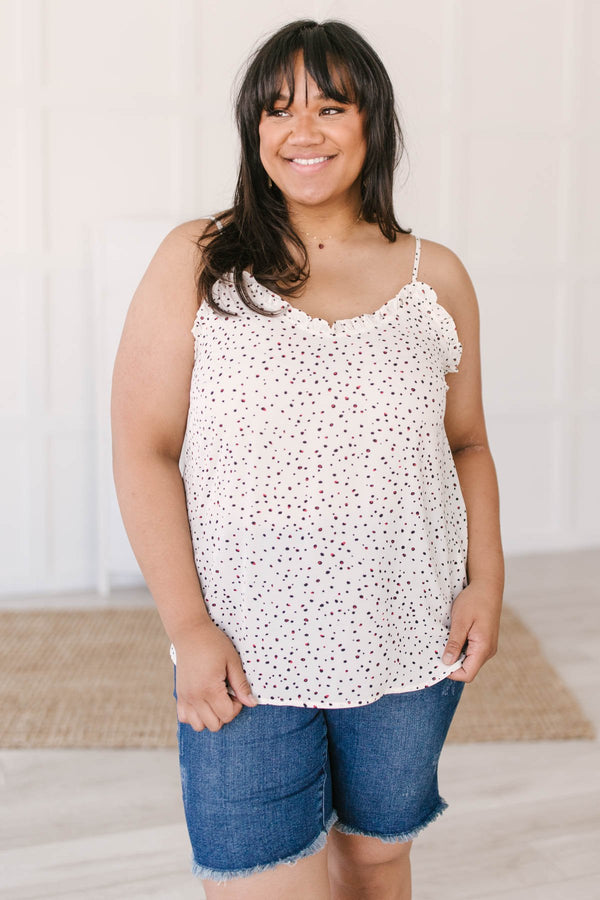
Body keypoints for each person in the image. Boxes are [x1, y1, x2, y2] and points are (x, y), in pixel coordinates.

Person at [111, 18, 504, 900]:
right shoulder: (199, 258)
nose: (305, 131)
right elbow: (144, 450)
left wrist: (487, 581)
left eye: (333, 106)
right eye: (279, 109)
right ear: (255, 131)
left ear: (374, 124)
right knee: (259, 883)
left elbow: (467, 441)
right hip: (247, 651)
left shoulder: (433, 277)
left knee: (375, 858)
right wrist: (188, 628)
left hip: (409, 635)